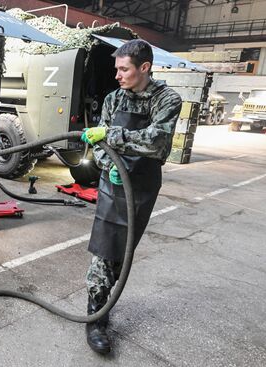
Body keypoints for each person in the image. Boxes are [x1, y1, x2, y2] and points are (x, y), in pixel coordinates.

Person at [80, 39, 182, 354]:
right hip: (113, 184)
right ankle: (96, 318)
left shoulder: (167, 100)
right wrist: (109, 163)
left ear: (144, 68)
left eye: (124, 69)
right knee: (104, 251)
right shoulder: (114, 98)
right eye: (117, 69)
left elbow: (157, 142)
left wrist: (112, 137)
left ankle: (103, 306)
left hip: (142, 187)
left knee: (122, 254)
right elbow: (99, 144)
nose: (118, 76)